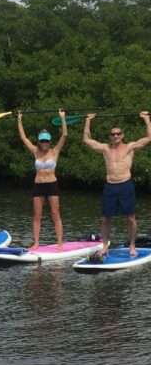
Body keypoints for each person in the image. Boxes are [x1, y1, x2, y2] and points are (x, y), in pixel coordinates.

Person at [83, 110, 151, 256]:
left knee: (131, 218)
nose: (115, 136)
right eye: (113, 134)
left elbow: (149, 137)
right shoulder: (105, 148)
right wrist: (88, 121)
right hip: (110, 187)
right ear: (110, 136)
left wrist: (146, 119)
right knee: (106, 218)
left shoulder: (130, 147)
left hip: (126, 185)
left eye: (118, 134)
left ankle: (132, 246)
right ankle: (105, 246)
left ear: (122, 135)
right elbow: (87, 140)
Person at [17, 109, 68, 250]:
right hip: (38, 185)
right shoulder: (35, 151)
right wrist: (19, 119)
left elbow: (64, 135)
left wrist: (62, 117)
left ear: (49, 141)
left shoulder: (55, 151)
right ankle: (37, 243)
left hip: (52, 185)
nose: (44, 143)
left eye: (46, 141)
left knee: (55, 214)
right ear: (39, 142)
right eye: (42, 141)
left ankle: (60, 243)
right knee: (37, 215)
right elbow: (23, 137)